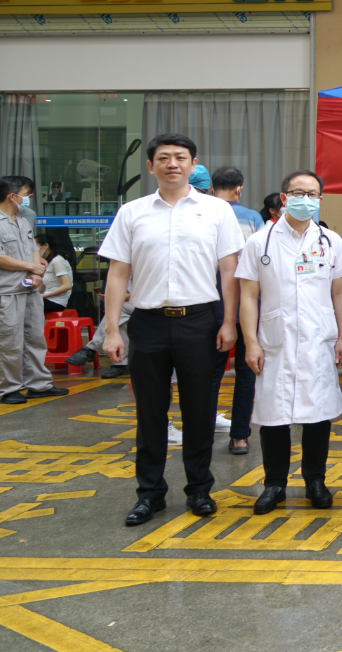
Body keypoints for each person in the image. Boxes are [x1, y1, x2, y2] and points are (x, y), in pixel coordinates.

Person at [98, 134, 245, 526]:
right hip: (146, 322)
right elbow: (118, 273)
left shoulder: (217, 211)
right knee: (150, 413)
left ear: (193, 164)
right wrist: (112, 330)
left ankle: (199, 489)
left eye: (180, 157)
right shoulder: (132, 212)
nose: (172, 164)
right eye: (163, 158)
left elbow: (229, 271)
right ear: (151, 166)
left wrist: (228, 322)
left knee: (199, 411)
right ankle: (150, 494)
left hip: (199, 321)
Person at [238, 169, 342, 515]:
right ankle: (274, 484)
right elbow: (248, 295)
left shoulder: (330, 241)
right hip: (275, 341)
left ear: (320, 199)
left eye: (312, 194)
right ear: (284, 198)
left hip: (319, 340)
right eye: (298, 193)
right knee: (274, 414)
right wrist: (250, 342)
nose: (306, 199)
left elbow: (340, 292)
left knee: (318, 414)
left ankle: (315, 481)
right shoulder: (260, 242)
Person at [0, 177, 64, 405]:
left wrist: (36, 272)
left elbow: (33, 250)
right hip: (4, 292)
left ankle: (38, 384)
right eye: (27, 195)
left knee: (35, 339)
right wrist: (31, 267)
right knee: (7, 342)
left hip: (29, 291)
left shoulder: (22, 222)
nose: (29, 199)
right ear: (11, 196)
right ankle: (9, 388)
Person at [207, 166, 264, 455]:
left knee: (210, 374)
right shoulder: (253, 218)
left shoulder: (203, 215)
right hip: (249, 303)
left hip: (210, 304)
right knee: (246, 371)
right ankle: (240, 436)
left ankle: (203, 434)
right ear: (239, 189)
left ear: (211, 188)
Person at [35, 232, 74, 314]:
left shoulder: (56, 261)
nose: (33, 250)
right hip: (47, 298)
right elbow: (42, 286)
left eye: (34, 246)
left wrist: (44, 296)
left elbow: (67, 285)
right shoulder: (46, 262)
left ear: (46, 246)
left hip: (56, 302)